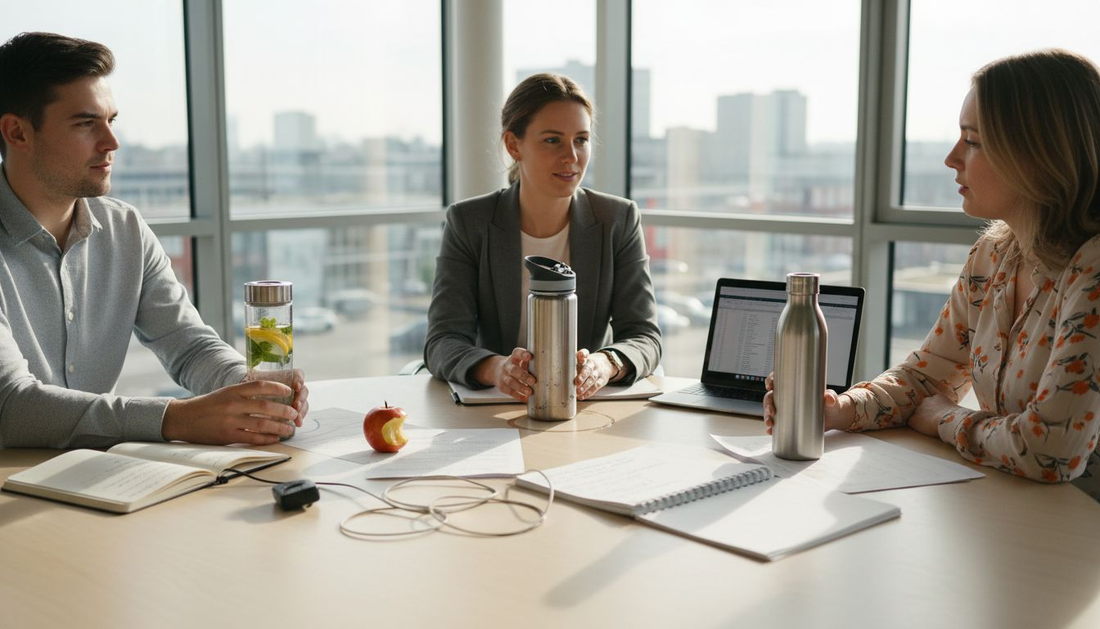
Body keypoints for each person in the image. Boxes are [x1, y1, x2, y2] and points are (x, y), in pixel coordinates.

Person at [764, 49, 1100, 490]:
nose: (951, 158)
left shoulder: (1093, 269)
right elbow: (927, 378)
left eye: (973, 141)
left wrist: (946, 419)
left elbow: (1049, 450)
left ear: (1036, 153)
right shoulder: (994, 255)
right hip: (1010, 502)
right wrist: (841, 410)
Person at [0, 32, 309, 448]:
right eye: (85, 123)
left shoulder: (125, 228)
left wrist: (248, 386)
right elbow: (9, 405)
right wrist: (175, 418)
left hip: (97, 472)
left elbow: (188, 345)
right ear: (17, 132)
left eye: (110, 121)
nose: (111, 142)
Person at [425, 73, 662, 401]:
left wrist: (606, 364)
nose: (572, 156)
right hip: (494, 406)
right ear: (514, 145)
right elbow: (442, 341)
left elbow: (645, 336)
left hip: (585, 406)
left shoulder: (617, 220)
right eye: (553, 140)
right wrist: (497, 369)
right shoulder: (469, 222)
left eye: (581, 139)